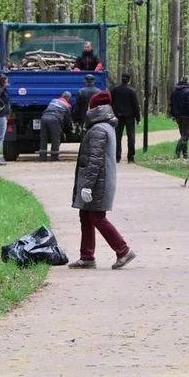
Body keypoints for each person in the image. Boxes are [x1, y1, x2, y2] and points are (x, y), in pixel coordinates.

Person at [69, 91, 137, 270]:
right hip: (97, 180)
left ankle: (123, 250)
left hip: (99, 181)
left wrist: (88, 187)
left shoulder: (99, 129)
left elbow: (95, 160)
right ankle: (86, 256)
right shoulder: (104, 126)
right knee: (85, 215)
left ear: (95, 108)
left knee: (97, 217)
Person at [111, 72, 141, 163]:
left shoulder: (114, 90)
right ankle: (130, 158)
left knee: (117, 137)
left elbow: (110, 103)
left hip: (117, 117)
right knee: (131, 137)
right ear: (129, 79)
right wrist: (138, 119)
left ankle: (117, 157)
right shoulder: (131, 91)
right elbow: (135, 105)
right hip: (129, 117)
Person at [40, 91, 74, 161]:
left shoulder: (53, 100)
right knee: (55, 139)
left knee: (44, 138)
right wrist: (67, 129)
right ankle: (54, 157)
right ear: (68, 98)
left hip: (44, 118)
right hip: (55, 119)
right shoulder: (67, 105)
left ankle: (42, 157)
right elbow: (67, 119)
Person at [169, 75, 189, 159]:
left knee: (183, 134)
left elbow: (171, 103)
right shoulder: (188, 91)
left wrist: (173, 114)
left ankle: (185, 153)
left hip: (178, 116)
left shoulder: (175, 91)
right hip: (186, 116)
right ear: (188, 82)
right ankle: (177, 153)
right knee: (185, 135)